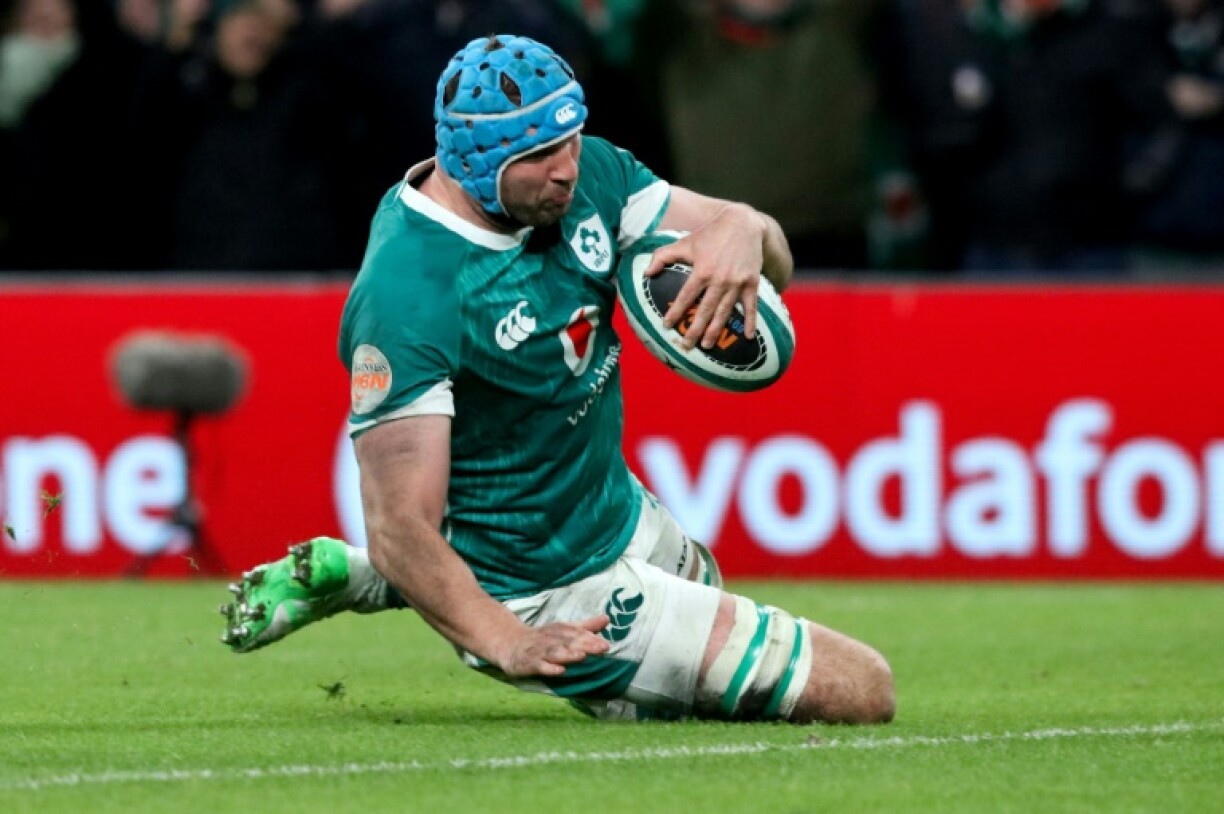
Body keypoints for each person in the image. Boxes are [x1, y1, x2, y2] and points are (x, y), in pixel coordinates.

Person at [219, 33, 895, 724]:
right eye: (539, 155)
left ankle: (357, 578)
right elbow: (399, 523)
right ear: (477, 162)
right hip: (538, 589)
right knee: (862, 690)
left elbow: (757, 264)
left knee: (681, 694)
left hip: (614, 513)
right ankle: (389, 580)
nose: (568, 168)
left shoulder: (587, 175)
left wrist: (747, 227)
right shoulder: (410, 294)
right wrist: (510, 641)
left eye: (572, 137)